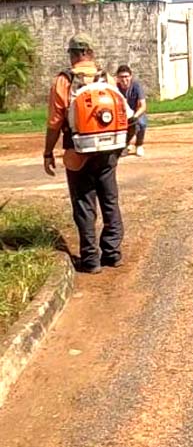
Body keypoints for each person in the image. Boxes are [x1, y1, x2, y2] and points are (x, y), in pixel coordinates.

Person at [43, 33, 124, 274]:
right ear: (90, 52)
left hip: (77, 152)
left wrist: (48, 152)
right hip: (108, 149)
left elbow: (55, 122)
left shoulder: (63, 81)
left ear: (75, 54)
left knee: (84, 204)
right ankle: (113, 253)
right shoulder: (107, 78)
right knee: (110, 201)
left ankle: (90, 260)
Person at [116, 64, 147, 157]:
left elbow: (143, 105)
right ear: (117, 78)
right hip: (121, 113)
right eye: (121, 77)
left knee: (141, 123)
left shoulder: (136, 86)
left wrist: (135, 116)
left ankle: (139, 145)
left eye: (126, 76)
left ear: (130, 76)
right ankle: (125, 145)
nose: (124, 79)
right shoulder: (115, 87)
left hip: (135, 112)